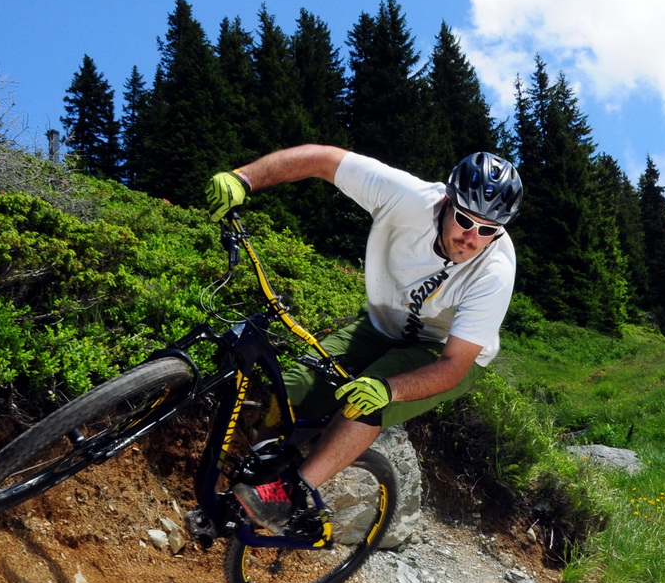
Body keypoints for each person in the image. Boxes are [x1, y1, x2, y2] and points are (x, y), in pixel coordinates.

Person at [204, 145, 522, 531]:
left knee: (364, 402)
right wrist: (244, 178)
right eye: (464, 220)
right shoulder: (408, 197)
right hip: (381, 324)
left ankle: (292, 493)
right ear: (446, 203)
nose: (471, 238)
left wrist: (388, 390)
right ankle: (259, 472)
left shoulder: (495, 271)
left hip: (443, 352)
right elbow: (323, 160)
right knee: (287, 391)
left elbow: (454, 366)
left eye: (487, 230)